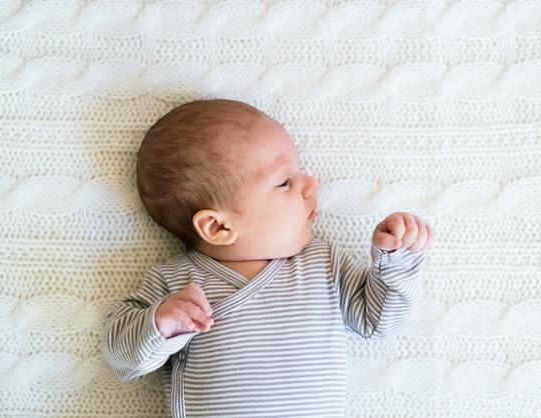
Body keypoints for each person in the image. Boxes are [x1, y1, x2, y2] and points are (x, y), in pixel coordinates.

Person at [101, 98, 434, 417]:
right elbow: (122, 358)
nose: (310, 183)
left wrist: (397, 261)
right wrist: (159, 324)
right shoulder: (175, 283)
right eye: (285, 182)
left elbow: (377, 322)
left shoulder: (322, 263)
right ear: (217, 226)